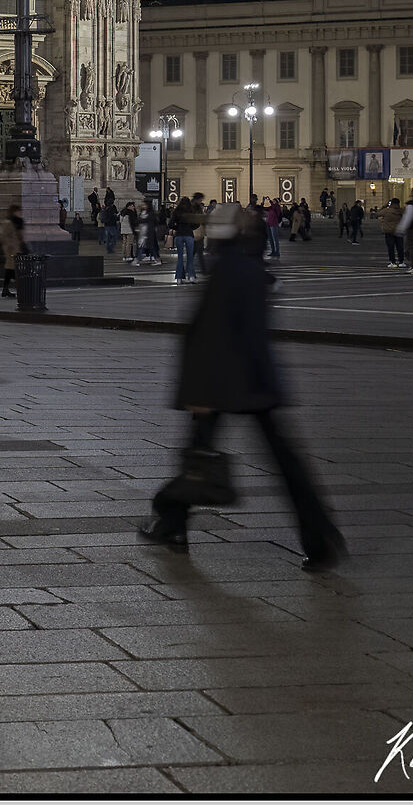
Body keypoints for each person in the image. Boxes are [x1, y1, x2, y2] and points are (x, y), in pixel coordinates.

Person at [138, 205, 345, 571]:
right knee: (284, 463)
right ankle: (321, 536)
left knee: (198, 456)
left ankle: (170, 518)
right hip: (257, 380)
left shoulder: (228, 270)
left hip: (220, 382)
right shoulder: (254, 267)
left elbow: (208, 334)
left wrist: (196, 393)